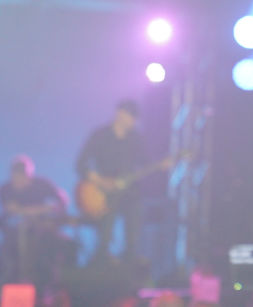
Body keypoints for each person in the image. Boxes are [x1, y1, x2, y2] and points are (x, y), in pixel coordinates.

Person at [75, 99, 147, 264]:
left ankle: (130, 257)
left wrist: (161, 164)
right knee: (106, 224)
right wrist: (98, 180)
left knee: (135, 214)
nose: (133, 122)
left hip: (129, 193)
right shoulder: (100, 136)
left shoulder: (136, 139)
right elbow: (80, 164)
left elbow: (145, 162)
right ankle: (103, 257)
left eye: (135, 118)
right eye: (131, 117)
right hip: (104, 193)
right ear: (120, 114)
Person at [0, 155, 72, 285]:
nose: (19, 181)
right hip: (14, 237)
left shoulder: (42, 185)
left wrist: (51, 210)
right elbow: (11, 210)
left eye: (22, 177)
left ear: (29, 176)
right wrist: (42, 208)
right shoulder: (6, 189)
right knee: (9, 261)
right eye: (16, 177)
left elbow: (61, 200)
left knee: (53, 252)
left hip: (43, 233)